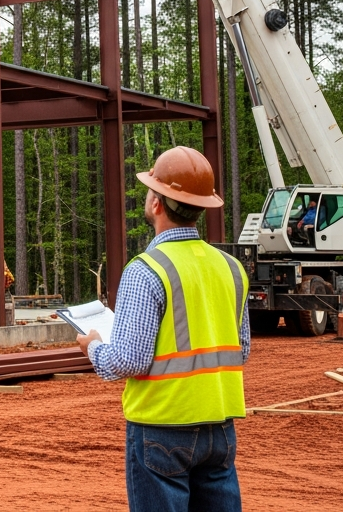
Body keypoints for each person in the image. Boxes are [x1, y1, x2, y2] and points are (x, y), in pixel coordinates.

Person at [78, 146, 248, 512]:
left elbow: (127, 360)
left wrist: (92, 346)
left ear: (157, 203)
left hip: (161, 428)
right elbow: (241, 348)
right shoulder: (231, 268)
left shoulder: (146, 269)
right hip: (219, 427)